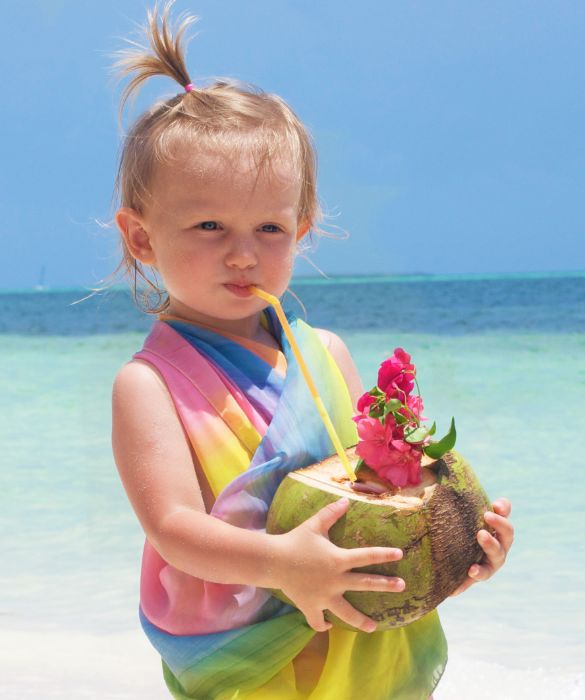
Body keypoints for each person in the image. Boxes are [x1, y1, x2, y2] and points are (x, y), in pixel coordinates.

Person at [110, 3, 514, 699]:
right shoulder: (147, 383)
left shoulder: (323, 351)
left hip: (354, 635)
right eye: (208, 225)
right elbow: (174, 530)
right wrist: (282, 563)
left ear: (301, 229)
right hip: (254, 654)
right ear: (141, 238)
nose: (243, 254)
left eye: (269, 226)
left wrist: (451, 539)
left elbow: (372, 484)